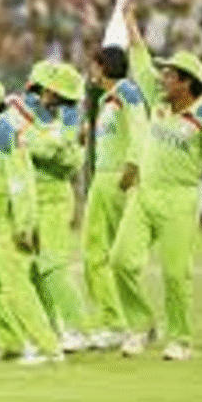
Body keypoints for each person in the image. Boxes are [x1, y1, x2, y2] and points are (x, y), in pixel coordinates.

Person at [112, 1, 202, 361]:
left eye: (169, 76)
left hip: (180, 200)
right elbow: (139, 60)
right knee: (120, 261)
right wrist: (130, 19)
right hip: (144, 194)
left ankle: (180, 339)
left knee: (176, 275)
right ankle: (140, 326)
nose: (161, 78)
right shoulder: (160, 101)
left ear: (186, 83)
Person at [0, 80, 63, 364]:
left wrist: (24, 226)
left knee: (17, 287)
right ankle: (7, 339)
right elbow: (0, 176)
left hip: (9, 223)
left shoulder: (4, 132)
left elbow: (21, 181)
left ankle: (49, 348)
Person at [5, 61, 90, 352]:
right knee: (32, 271)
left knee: (53, 265)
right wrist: (43, 144)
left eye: (63, 97)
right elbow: (24, 146)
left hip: (54, 197)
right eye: (51, 93)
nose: (52, 100)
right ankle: (52, 327)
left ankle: (79, 329)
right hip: (26, 197)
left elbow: (72, 161)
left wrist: (32, 143)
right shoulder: (19, 108)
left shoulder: (71, 118)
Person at [81, 44, 149, 349]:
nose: (90, 71)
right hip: (107, 176)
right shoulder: (109, 98)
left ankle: (115, 324)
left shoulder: (126, 93)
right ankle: (137, 321)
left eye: (93, 65)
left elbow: (140, 127)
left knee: (97, 255)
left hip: (116, 177)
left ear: (103, 66)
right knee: (113, 256)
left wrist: (133, 164)